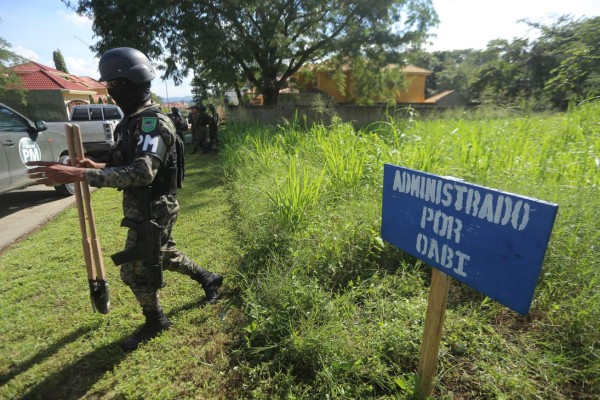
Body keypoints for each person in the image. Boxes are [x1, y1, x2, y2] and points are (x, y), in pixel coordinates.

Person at [26, 47, 223, 351]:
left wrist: (77, 176)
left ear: (130, 85)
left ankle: (156, 320)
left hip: (156, 207)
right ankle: (209, 279)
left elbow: (143, 173)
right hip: (142, 205)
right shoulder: (129, 123)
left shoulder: (152, 123)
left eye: (113, 87)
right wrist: (96, 167)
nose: (110, 93)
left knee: (133, 271)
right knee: (164, 253)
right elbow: (126, 167)